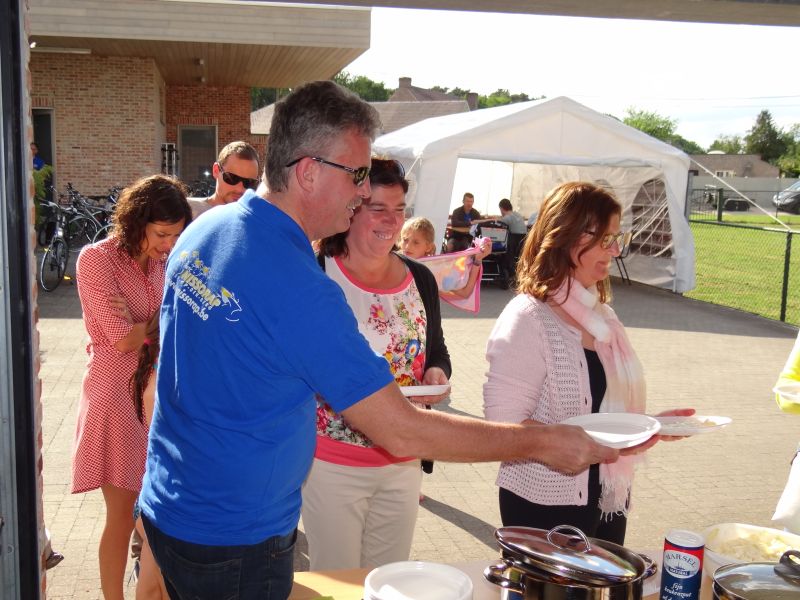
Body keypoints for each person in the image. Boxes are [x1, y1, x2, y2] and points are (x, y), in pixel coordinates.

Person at [138, 81, 622, 600]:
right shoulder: (301, 286)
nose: (362, 191)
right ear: (307, 172)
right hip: (234, 536)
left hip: (170, 501)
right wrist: (542, 441)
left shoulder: (208, 229)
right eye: (357, 175)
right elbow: (401, 431)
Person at [483, 181, 692, 545]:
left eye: (616, 238)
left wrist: (648, 427)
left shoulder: (604, 316)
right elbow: (503, 424)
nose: (614, 250)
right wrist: (562, 441)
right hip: (543, 502)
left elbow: (603, 410)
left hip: (608, 495)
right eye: (605, 239)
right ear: (569, 237)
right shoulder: (529, 317)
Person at [302, 158, 451, 570]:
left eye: (400, 208)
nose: (392, 220)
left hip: (403, 462)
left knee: (388, 581)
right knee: (337, 586)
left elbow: (436, 349)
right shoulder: (316, 272)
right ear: (353, 208)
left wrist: (437, 373)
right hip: (332, 464)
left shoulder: (419, 278)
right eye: (379, 208)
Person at [72, 174, 191, 600]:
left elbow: (177, 326)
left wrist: (146, 326)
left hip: (154, 395)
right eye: (161, 234)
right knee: (123, 517)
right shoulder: (96, 260)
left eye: (176, 235)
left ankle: (151, 591)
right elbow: (119, 336)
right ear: (136, 222)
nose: (168, 244)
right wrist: (154, 322)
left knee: (158, 514)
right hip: (115, 397)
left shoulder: (163, 262)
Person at [129, 316, 169, 600]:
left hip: (150, 498)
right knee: (156, 588)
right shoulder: (166, 382)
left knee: (153, 585)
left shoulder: (152, 370)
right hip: (164, 504)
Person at [400, 216, 491, 302]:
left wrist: (477, 261)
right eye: (405, 239)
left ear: (428, 247)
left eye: (416, 242)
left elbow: (465, 293)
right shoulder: (394, 262)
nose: (407, 246)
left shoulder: (433, 269)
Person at [187, 141, 260, 218]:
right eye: (232, 178)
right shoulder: (187, 210)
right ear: (216, 170)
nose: (239, 189)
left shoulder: (257, 220)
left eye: (249, 182)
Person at [497, 198, 528, 280]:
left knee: (504, 250)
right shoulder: (518, 215)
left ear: (501, 208)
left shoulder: (507, 218)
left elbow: (498, 225)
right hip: (524, 239)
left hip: (513, 241)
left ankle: (508, 271)